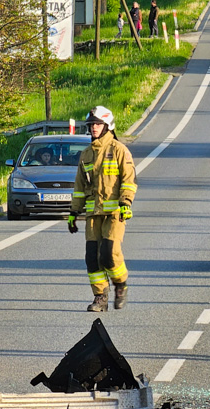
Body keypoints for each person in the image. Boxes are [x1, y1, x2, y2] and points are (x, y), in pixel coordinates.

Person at [69, 106, 137, 312]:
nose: (94, 128)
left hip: (115, 213)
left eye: (98, 124)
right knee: (92, 257)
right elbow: (80, 186)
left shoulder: (119, 150)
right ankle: (100, 297)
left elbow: (129, 180)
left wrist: (126, 203)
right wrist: (73, 212)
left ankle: (120, 283)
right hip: (93, 214)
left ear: (107, 126)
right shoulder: (86, 154)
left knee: (108, 253)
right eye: (91, 125)